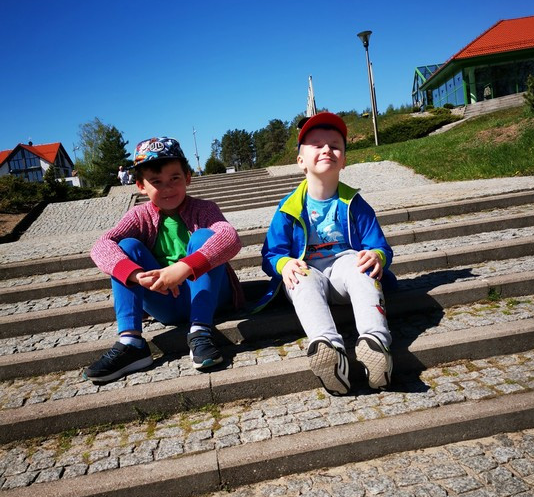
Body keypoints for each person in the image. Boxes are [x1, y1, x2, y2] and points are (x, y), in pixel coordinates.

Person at [84, 136, 243, 384]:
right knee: (126, 247)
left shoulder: (205, 209)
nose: (167, 188)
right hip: (166, 303)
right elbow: (101, 245)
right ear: (141, 186)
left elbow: (230, 238)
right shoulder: (138, 216)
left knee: (204, 237)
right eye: (156, 181)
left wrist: (183, 268)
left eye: (174, 178)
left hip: (211, 297)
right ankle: (131, 342)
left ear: (187, 177)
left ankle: (200, 332)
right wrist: (137, 275)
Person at [260, 112, 394, 396]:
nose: (326, 150)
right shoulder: (288, 207)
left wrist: (376, 257)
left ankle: (375, 344)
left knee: (360, 266)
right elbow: (271, 253)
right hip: (310, 272)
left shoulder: (355, 203)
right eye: (317, 145)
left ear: (343, 160)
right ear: (301, 161)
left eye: (334, 145)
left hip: (345, 272)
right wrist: (283, 264)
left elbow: (380, 246)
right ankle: (328, 349)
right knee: (299, 276)